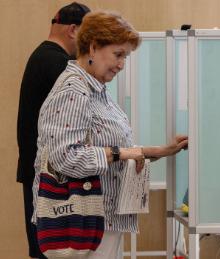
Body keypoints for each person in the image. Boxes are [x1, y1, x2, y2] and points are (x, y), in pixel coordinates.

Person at [32, 10, 188, 258]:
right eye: (118, 54)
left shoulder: (97, 90)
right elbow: (65, 158)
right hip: (84, 220)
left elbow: (114, 151)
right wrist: (122, 153)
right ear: (93, 48)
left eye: (125, 56)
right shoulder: (74, 90)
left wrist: (159, 151)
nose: (121, 64)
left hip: (101, 220)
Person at [16, 3, 91, 258]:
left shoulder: (44, 56)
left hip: (40, 173)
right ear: (73, 30)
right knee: (52, 251)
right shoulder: (59, 64)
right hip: (49, 179)